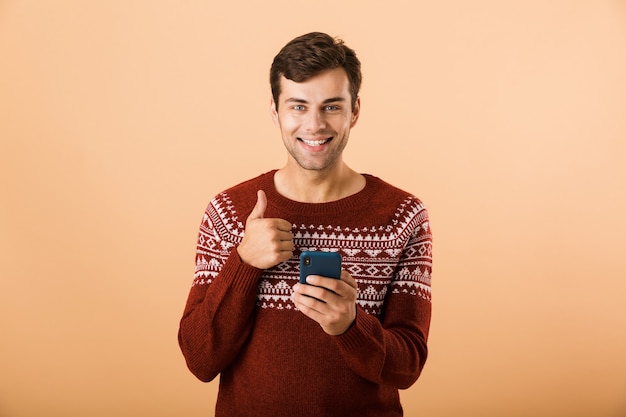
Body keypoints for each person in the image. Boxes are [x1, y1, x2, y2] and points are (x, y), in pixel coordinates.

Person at [178, 32, 433, 417]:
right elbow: (199, 359)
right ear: (275, 110)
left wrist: (350, 325)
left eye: (331, 107)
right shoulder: (228, 211)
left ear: (355, 110)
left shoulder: (402, 215)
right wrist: (243, 263)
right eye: (298, 106)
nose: (314, 125)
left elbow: (407, 366)